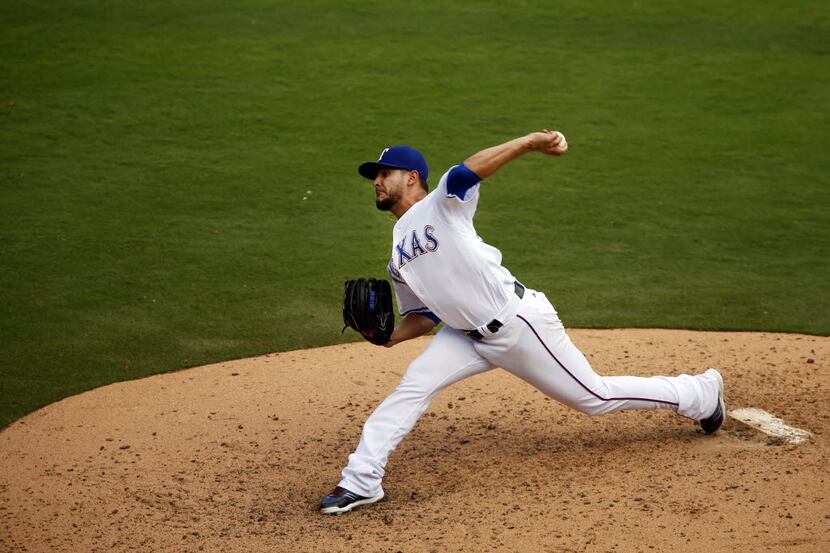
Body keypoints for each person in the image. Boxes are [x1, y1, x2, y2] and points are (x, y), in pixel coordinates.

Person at [320, 130, 725, 515]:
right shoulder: (396, 254)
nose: (375, 181)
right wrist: (390, 338)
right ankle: (361, 480)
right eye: (374, 176)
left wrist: (531, 142)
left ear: (411, 178)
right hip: (461, 336)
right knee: (411, 387)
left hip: (518, 323)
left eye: (383, 173)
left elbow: (467, 170)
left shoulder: (443, 202)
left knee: (594, 398)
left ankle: (699, 393)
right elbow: (424, 317)